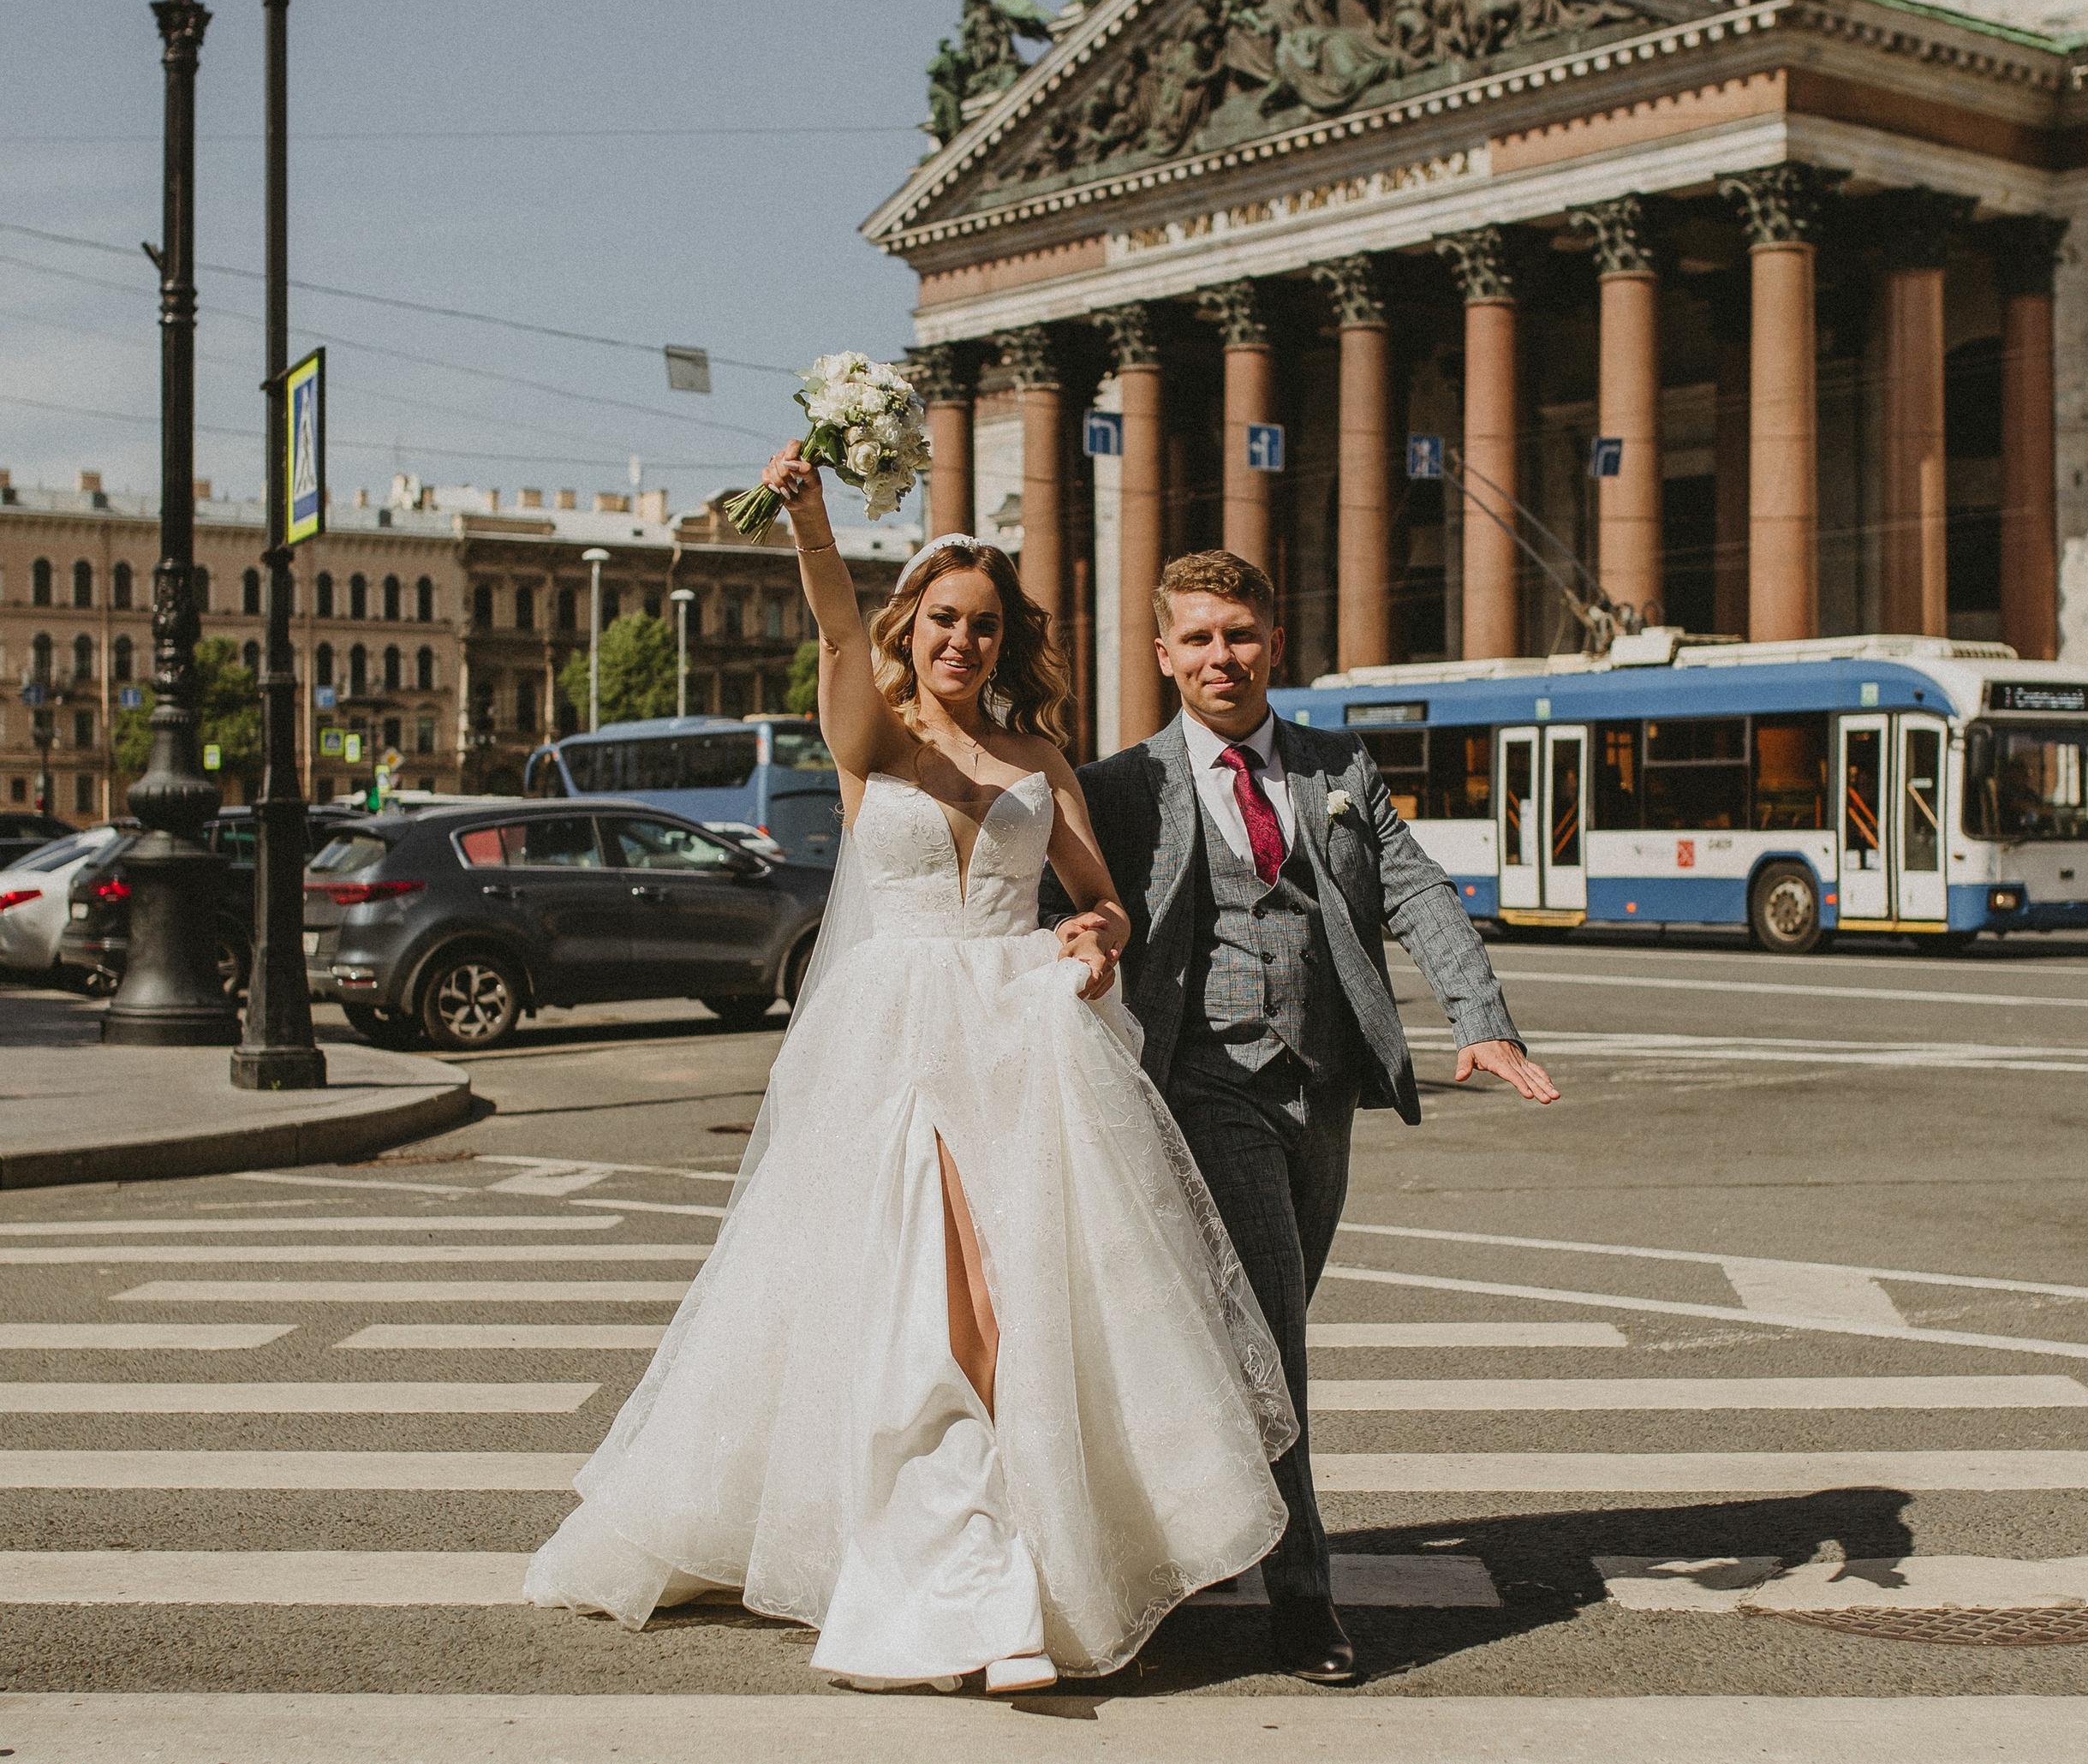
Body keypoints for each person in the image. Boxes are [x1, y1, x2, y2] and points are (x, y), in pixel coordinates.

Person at [524, 460, 1292, 1691]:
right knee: (940, 1310)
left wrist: (1091, 947)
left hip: (1019, 1036)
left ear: (1006, 638)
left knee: (1016, 1317)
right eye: (944, 619)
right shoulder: (870, 735)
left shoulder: (1037, 752)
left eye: (985, 623)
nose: (965, 641)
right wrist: (813, 522)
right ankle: (960, 1584)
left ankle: (1014, 1565)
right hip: (892, 1047)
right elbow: (835, 621)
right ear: (912, 627)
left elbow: (1099, 904)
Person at [1069, 551, 1560, 1687]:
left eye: (1238, 635)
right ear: (1162, 656)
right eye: (1196, 638)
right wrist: (1081, 945)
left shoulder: (1339, 766)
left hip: (1324, 1087)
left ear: (1272, 642)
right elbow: (1074, 902)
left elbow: (1417, 885)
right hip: (1203, 1088)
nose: (1220, 657)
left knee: (1238, 1345)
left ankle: (1183, 1539)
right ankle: (1302, 1601)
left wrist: (1483, 1014)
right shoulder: (1122, 784)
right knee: (1275, 1342)